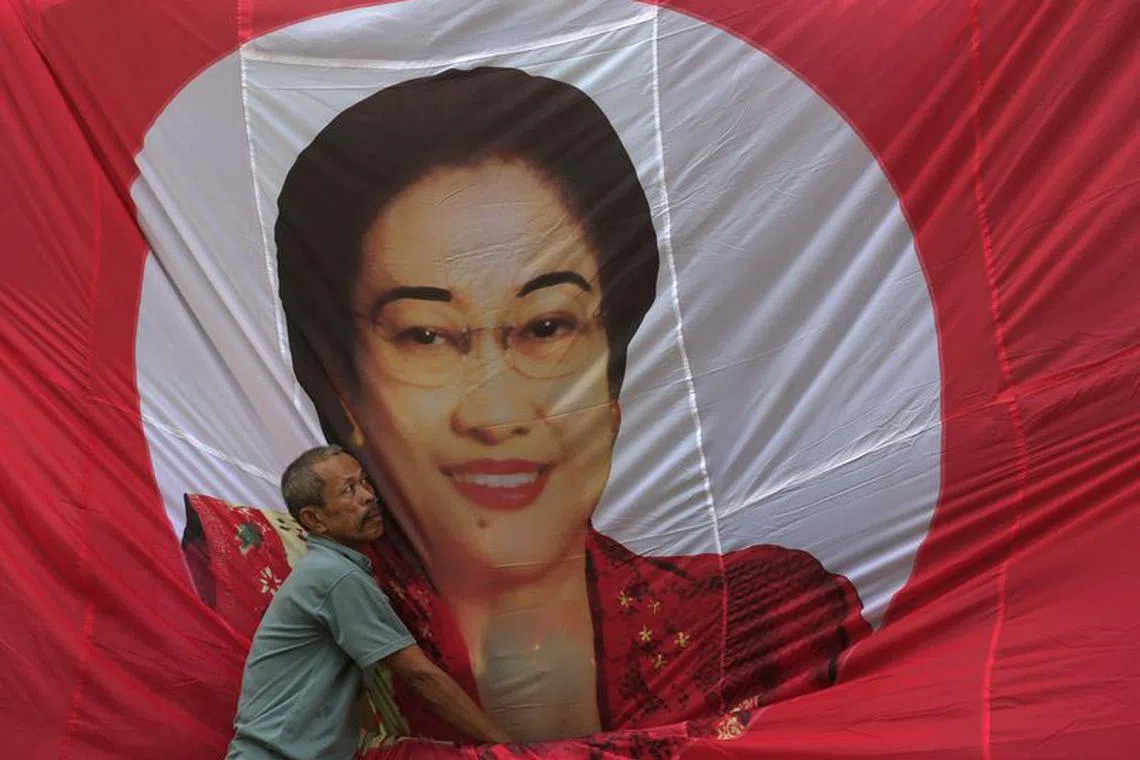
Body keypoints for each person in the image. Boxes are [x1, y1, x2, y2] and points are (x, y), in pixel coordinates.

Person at [188, 66, 870, 746]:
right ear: (346, 393)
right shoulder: (273, 572)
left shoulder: (762, 620)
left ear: (612, 372)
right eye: (426, 336)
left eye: (547, 326)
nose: (497, 413)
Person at [225, 446, 509, 760]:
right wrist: (507, 747)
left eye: (364, 482)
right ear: (314, 519)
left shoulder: (335, 568)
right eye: (349, 489)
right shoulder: (335, 575)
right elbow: (420, 676)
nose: (368, 496)